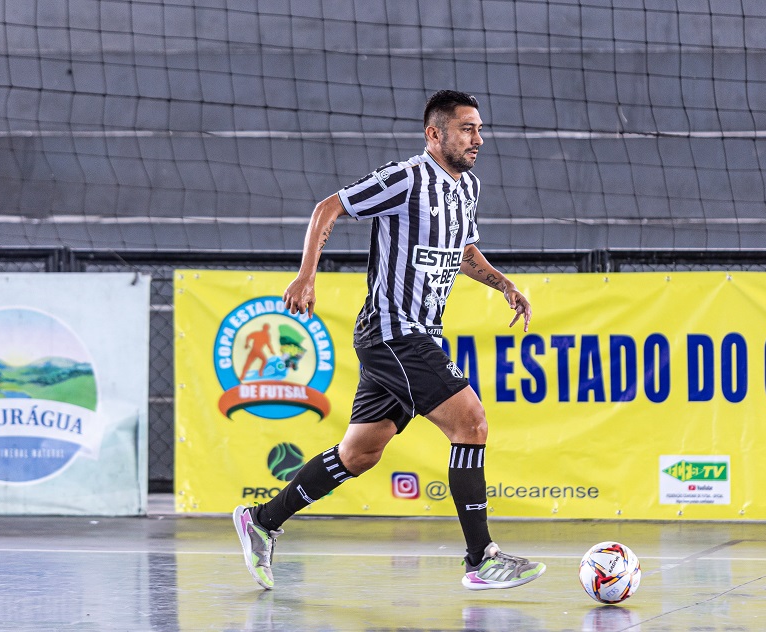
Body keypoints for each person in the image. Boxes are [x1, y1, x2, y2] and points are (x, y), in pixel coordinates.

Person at [233, 90, 545, 591]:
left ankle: (263, 520)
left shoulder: (467, 188)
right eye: (467, 129)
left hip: (419, 334)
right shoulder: (406, 178)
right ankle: (480, 559)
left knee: (360, 453)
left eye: (480, 129)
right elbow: (327, 208)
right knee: (472, 422)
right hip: (392, 332)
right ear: (434, 133)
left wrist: (503, 283)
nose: (478, 139)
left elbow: (462, 251)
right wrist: (306, 277)